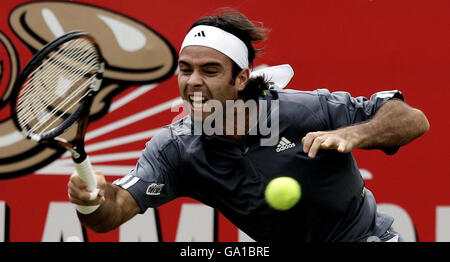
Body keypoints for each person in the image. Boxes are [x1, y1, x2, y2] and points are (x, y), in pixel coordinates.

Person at [68, 9, 429, 242]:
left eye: (210, 71)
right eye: (185, 69)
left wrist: (354, 133)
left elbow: (411, 118)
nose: (193, 82)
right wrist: (88, 201)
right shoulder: (176, 149)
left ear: (241, 78)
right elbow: (110, 213)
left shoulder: (305, 110)